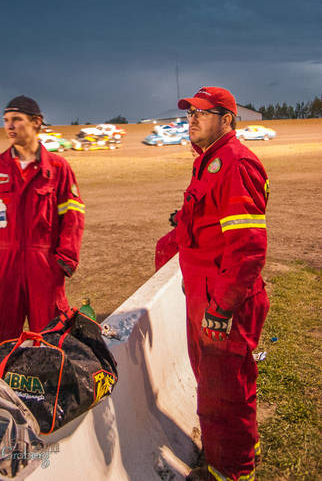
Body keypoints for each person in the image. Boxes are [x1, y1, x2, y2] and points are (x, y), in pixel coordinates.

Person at [155, 87, 270, 481]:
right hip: (206, 295)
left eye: (203, 113)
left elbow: (248, 248)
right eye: (190, 114)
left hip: (223, 301)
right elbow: (199, 227)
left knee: (221, 395)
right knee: (229, 385)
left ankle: (231, 472)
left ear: (227, 119)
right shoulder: (208, 162)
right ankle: (243, 448)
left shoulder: (235, 164)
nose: (193, 120)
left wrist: (222, 309)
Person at [0, 95, 85, 371]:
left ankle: (51, 397)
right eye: (6, 121)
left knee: (51, 337)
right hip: (5, 266)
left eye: (16, 120)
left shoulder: (58, 168)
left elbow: (73, 216)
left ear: (36, 122)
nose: (9, 126)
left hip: (44, 265)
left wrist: (64, 259)